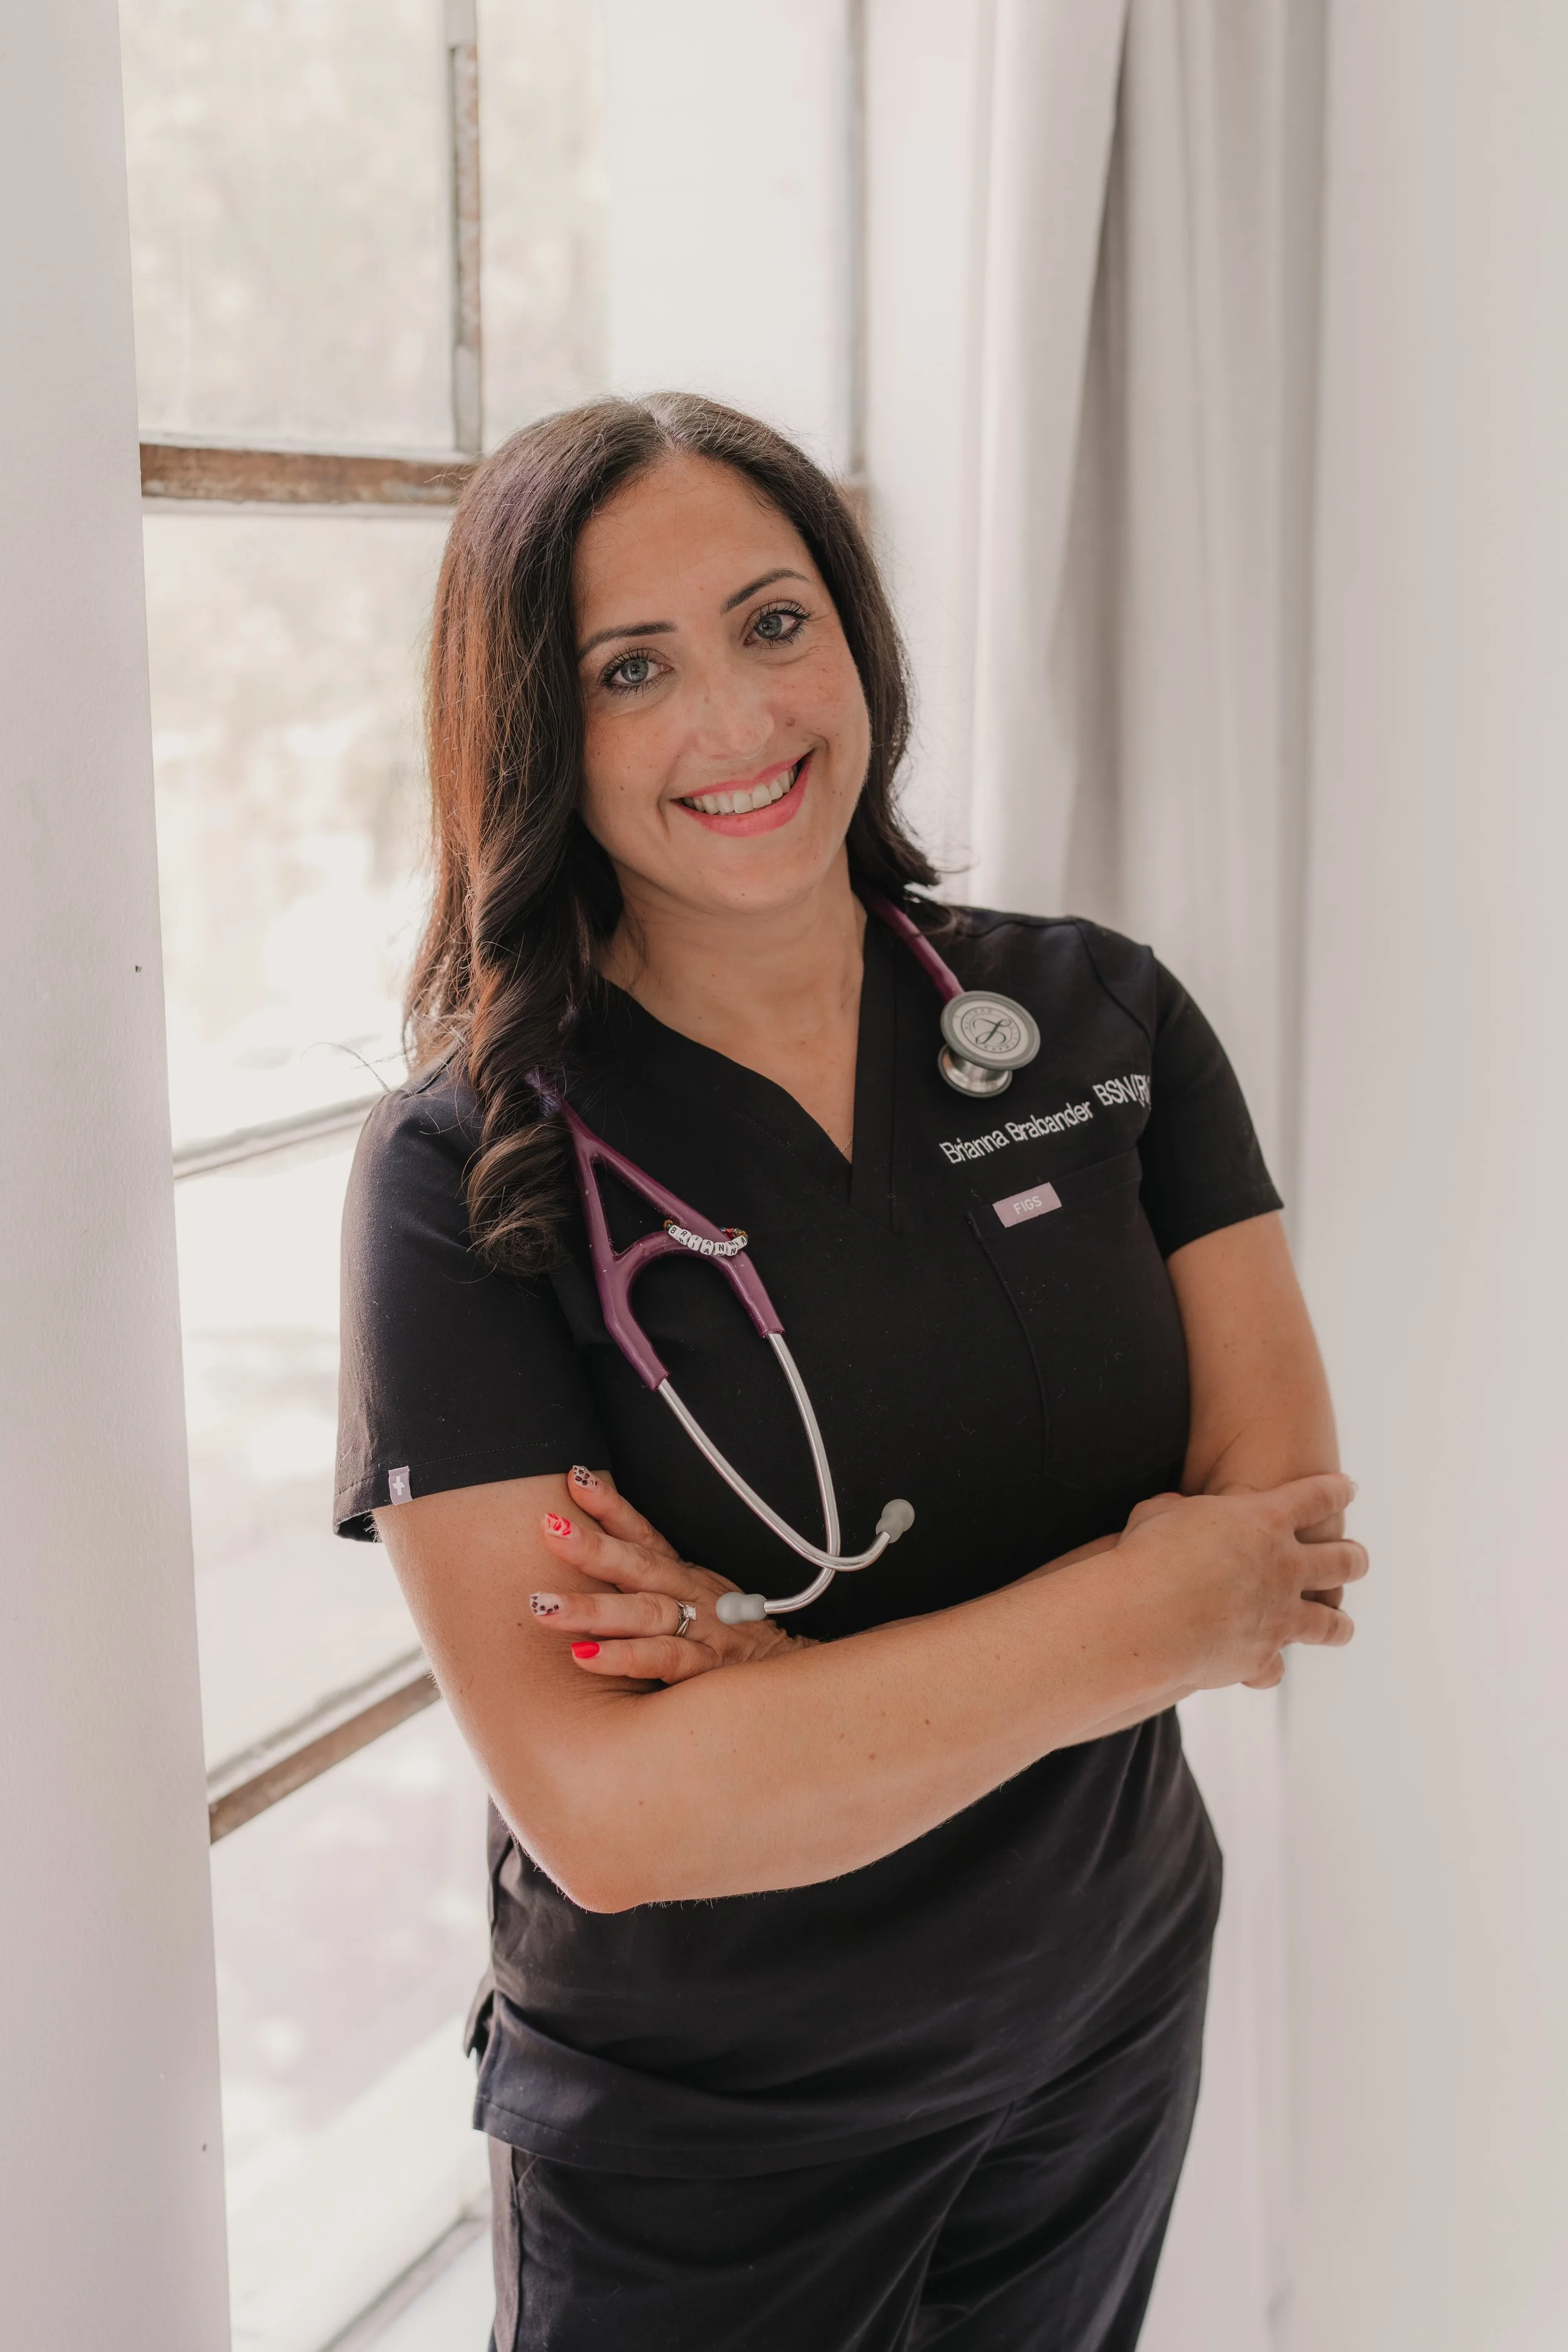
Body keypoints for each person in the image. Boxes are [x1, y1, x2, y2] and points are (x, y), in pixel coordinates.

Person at [334, 393, 1365, 2352]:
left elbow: (1279, 1548)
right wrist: (1141, 1602)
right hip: (712, 2144)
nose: (734, 719)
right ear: (542, 735)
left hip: (1099, 2018)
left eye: (773, 621)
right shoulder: (464, 1172)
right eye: (633, 668)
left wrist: (789, 1683)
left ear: (858, 637)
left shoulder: (1098, 1017)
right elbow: (617, 1814)